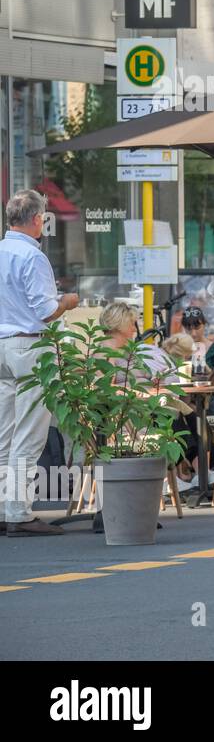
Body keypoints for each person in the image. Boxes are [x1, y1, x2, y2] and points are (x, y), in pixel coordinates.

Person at [0, 190, 79, 537]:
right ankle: (18, 512)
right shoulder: (33, 257)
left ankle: (4, 509)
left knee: (4, 434)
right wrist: (68, 302)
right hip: (29, 347)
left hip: (2, 346)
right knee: (29, 434)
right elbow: (46, 312)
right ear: (37, 219)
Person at [100, 302, 175, 382]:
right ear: (121, 325)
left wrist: (154, 380)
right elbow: (104, 390)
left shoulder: (126, 351)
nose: (135, 330)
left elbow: (146, 374)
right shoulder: (104, 353)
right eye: (132, 324)